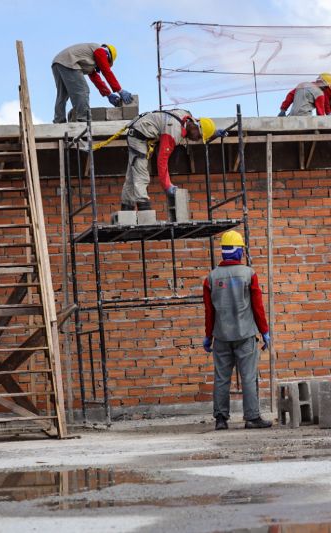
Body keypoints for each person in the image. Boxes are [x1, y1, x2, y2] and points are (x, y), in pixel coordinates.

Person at [202, 230, 272, 431]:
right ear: (239, 251)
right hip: (245, 335)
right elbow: (258, 308)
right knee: (249, 377)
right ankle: (252, 418)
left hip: (221, 337)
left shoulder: (211, 278)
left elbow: (209, 312)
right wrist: (265, 332)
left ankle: (221, 419)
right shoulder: (249, 274)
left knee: (221, 378)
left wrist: (208, 336)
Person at [120, 110, 218, 212]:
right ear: (196, 127)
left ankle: (126, 208)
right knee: (141, 174)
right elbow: (162, 160)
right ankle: (144, 207)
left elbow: (203, 125)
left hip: (139, 130)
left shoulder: (186, 115)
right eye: (198, 136)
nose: (196, 139)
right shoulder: (173, 132)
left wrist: (214, 133)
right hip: (139, 136)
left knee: (132, 175)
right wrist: (167, 186)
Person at [51, 42, 132, 124]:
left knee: (62, 94)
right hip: (69, 61)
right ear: (108, 56)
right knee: (82, 90)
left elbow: (96, 79)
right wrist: (120, 90)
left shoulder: (90, 57)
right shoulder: (101, 51)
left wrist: (108, 94)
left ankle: (59, 121)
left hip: (58, 62)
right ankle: (83, 119)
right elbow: (106, 71)